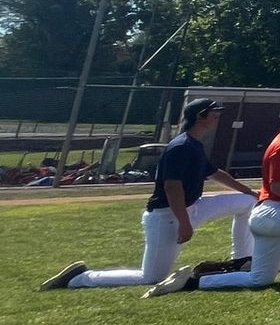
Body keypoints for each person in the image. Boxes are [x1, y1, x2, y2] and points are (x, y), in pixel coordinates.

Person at [42, 99, 257, 291]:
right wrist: (184, 222)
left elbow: (214, 173)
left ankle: (241, 260)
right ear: (200, 117)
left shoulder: (193, 145)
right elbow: (172, 187)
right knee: (152, 277)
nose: (217, 117)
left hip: (194, 206)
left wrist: (248, 191)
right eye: (213, 113)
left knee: (248, 202)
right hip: (168, 216)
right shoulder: (181, 146)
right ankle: (80, 278)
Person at [147, 94, 280, 296]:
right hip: (274, 213)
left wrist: (249, 192)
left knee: (260, 279)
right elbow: (279, 187)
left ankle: (190, 282)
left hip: (275, 213)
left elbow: (215, 173)